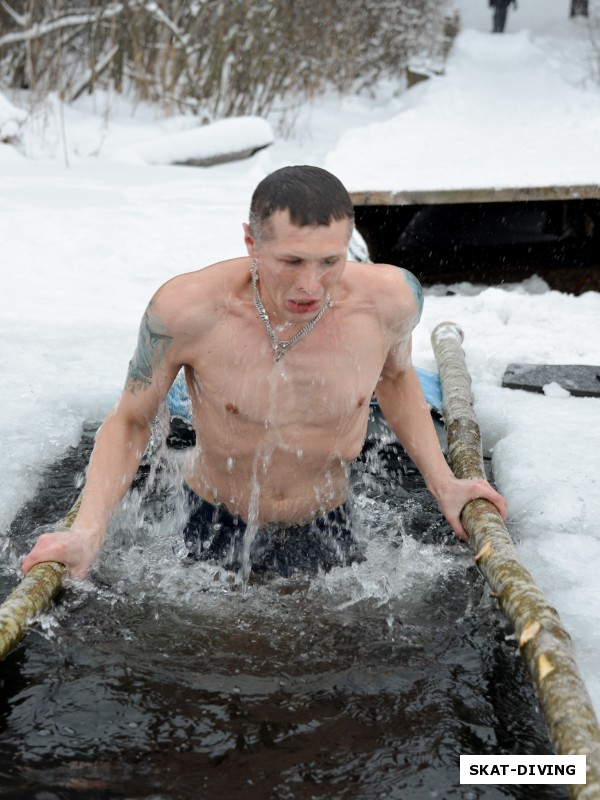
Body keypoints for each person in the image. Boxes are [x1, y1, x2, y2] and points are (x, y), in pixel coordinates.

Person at [21, 165, 507, 579]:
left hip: (326, 518)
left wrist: (445, 484)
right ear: (252, 242)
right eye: (291, 261)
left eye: (329, 261)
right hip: (214, 517)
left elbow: (398, 380)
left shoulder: (391, 301)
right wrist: (86, 531)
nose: (310, 285)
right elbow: (130, 420)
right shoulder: (188, 311)